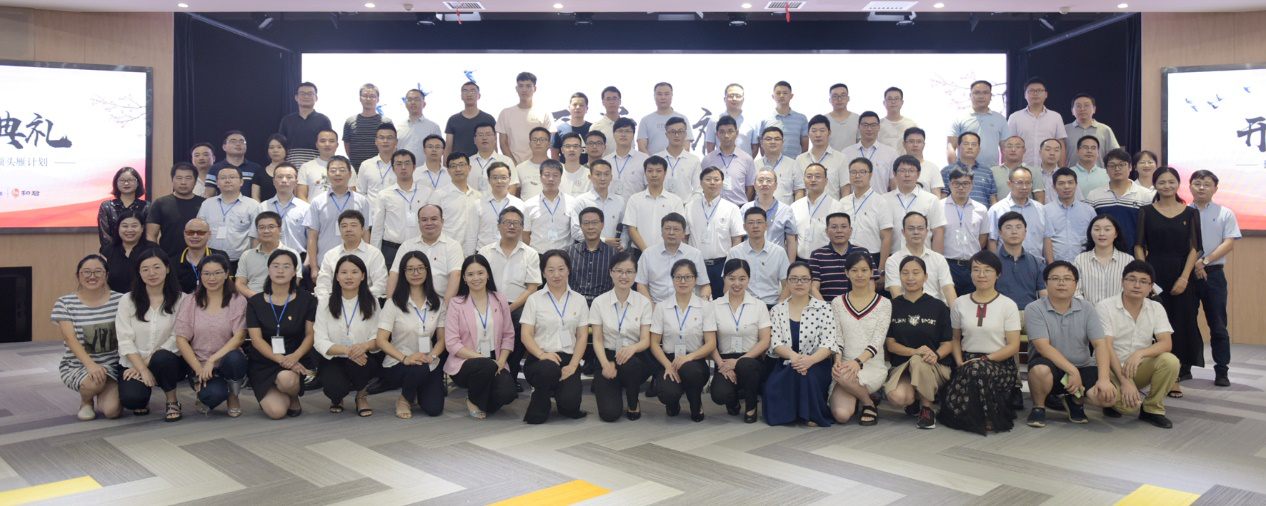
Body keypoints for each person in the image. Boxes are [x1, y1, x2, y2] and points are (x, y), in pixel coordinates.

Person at [1024, 261, 1119, 428]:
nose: (1061, 283)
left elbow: (1100, 345)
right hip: (1050, 369)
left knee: (1108, 398)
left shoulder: (1087, 308)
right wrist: (1071, 370)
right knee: (1040, 370)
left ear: (1076, 284)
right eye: (1055, 278)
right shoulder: (1034, 308)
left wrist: (1104, 379)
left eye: (1067, 279)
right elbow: (1042, 347)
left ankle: (1075, 400)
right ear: (1046, 283)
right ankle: (1039, 407)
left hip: (1082, 367)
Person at [1135, 166, 1202, 398]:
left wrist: (1184, 277)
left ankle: (1175, 377)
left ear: (1178, 184)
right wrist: (1146, 279)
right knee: (1154, 325)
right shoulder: (1146, 211)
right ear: (1155, 185)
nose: (1167, 186)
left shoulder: (1190, 213)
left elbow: (1195, 248)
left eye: (1171, 181)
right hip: (1154, 272)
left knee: (1180, 323)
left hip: (1182, 273)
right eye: (1161, 182)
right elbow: (1139, 245)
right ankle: (1153, 373)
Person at [938, 251, 1022, 435]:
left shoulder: (1008, 305)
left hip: (999, 362)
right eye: (976, 270)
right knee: (971, 371)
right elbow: (955, 338)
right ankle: (983, 414)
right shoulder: (960, 303)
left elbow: (1013, 346)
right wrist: (959, 361)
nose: (981, 275)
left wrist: (985, 359)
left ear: (998, 274)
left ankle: (985, 416)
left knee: (978, 370)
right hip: (967, 360)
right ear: (970, 274)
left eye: (987, 270)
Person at [1098, 260, 1180, 428]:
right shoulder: (1105, 307)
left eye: (1143, 281)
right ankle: (1111, 400)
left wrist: (1139, 353)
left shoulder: (1156, 308)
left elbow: (1166, 343)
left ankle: (1152, 408)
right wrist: (1125, 381)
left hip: (1137, 366)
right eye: (1132, 279)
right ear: (1122, 282)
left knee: (1170, 361)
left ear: (1151, 287)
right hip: (1110, 369)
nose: (1137, 285)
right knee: (1128, 407)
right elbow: (1106, 347)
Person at [245, 249, 318, 419]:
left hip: (294, 357)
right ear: (268, 269)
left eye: (286, 266)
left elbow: (310, 335)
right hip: (265, 360)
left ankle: (293, 397)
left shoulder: (307, 299)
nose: (280, 271)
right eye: (275, 266)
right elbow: (256, 340)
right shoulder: (255, 302)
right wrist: (282, 360)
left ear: (294, 271)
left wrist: (294, 357)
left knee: (287, 380)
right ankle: (271, 391)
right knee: (276, 413)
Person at [519, 250, 590, 424]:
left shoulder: (579, 300)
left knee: (570, 406)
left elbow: (582, 337)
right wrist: (542, 355)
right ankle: (540, 403)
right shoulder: (534, 299)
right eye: (550, 270)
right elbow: (526, 335)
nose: (556, 274)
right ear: (543, 273)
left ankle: (555, 390)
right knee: (549, 369)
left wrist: (573, 365)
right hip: (540, 358)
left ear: (568, 270)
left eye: (561, 269)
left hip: (568, 359)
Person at [174, 254, 249, 417]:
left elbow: (239, 337)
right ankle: (207, 392)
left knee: (235, 358)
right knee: (211, 396)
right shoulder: (190, 301)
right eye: (206, 274)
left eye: (217, 273)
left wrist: (212, 360)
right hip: (200, 364)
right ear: (200, 276)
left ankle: (233, 395)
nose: (212, 278)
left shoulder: (237, 300)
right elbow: (181, 339)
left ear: (226, 273)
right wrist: (198, 369)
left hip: (227, 360)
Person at [116, 249, 187, 420]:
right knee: (132, 400)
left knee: (162, 357)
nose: (151, 273)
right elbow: (125, 339)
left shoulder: (182, 299)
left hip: (167, 362)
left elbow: (177, 338)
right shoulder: (127, 300)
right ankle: (143, 396)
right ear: (139, 273)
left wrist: (144, 366)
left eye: (156, 267)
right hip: (133, 361)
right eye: (145, 269)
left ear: (167, 269)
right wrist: (141, 368)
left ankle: (172, 401)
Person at [445, 254, 518, 419]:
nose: (476, 278)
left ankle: (480, 398)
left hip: (495, 360)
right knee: (484, 366)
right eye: (470, 274)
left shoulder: (500, 300)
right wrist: (483, 359)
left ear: (488, 275)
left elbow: (508, 335)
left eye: (480, 273)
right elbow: (452, 343)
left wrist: (501, 361)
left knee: (508, 394)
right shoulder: (456, 303)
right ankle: (473, 400)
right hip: (466, 362)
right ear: (464, 278)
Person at [764, 262, 837, 427]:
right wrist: (795, 357)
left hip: (817, 362)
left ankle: (810, 414)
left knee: (808, 376)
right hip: (787, 361)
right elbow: (775, 342)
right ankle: (793, 413)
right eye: (794, 279)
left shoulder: (824, 308)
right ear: (787, 282)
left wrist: (810, 360)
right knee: (775, 384)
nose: (799, 283)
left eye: (804, 279)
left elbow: (829, 343)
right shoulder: (777, 310)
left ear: (811, 282)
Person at [885, 256, 954, 429]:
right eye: (905, 273)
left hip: (935, 366)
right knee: (898, 397)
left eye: (916, 273)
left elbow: (948, 343)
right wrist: (915, 351)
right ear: (899, 276)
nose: (910, 278)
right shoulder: (891, 306)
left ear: (925, 277)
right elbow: (891, 345)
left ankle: (927, 409)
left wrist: (935, 355)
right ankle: (914, 397)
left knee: (919, 361)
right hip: (903, 367)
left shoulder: (938, 306)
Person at [376, 251, 447, 419]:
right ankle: (404, 398)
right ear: (404, 273)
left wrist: (432, 356)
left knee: (434, 409)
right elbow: (381, 340)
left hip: (427, 362)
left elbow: (442, 339)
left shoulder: (438, 303)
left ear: (427, 270)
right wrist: (405, 358)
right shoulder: (393, 304)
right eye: (410, 269)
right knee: (417, 368)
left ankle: (415, 390)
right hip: (399, 363)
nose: (416, 273)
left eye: (420, 268)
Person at [54, 254, 125, 421]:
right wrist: (91, 365)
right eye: (86, 272)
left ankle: (103, 389)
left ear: (106, 275)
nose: (92, 276)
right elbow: (70, 339)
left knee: (112, 412)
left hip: (111, 365)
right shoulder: (65, 303)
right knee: (94, 382)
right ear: (78, 275)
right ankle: (86, 401)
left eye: (98, 271)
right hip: (80, 365)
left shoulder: (121, 300)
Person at [478, 207, 542, 389]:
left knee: (522, 326)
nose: (512, 226)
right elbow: (479, 283)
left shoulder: (530, 253)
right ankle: (487, 374)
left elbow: (532, 288)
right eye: (507, 222)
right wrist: (494, 306)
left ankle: (510, 377)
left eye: (516, 223)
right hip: (488, 303)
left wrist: (508, 309)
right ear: (499, 226)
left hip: (518, 305)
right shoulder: (485, 252)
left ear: (522, 227)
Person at [1189, 169, 1240, 387]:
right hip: (1187, 275)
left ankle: (1221, 370)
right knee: (1186, 322)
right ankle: (1184, 367)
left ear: (1215, 189)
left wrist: (1204, 262)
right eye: (1197, 183)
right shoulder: (1182, 212)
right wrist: (1195, 265)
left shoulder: (1225, 213)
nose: (1201, 187)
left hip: (1214, 275)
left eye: (1207, 184)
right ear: (1190, 186)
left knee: (1218, 325)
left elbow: (1229, 243)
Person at [649, 259, 716, 422]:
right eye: (678, 277)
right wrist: (668, 365)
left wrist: (688, 358)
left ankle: (696, 403)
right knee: (667, 393)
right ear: (672, 279)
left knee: (690, 371)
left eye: (688, 277)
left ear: (695, 279)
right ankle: (673, 403)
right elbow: (654, 343)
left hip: (695, 360)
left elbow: (711, 343)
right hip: (669, 360)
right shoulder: (662, 307)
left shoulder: (705, 307)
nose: (683, 281)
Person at [313, 255, 380, 416]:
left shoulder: (372, 302)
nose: (349, 277)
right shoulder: (325, 303)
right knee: (334, 387)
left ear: (363, 276)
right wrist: (347, 350)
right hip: (334, 357)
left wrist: (363, 347)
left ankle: (361, 396)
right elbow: (319, 340)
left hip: (363, 356)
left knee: (359, 364)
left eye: (354, 272)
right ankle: (337, 398)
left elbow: (378, 337)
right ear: (337, 276)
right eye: (343, 272)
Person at [829, 253, 891, 426]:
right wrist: (838, 361)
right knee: (841, 415)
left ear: (871, 272)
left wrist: (858, 362)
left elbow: (878, 340)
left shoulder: (884, 303)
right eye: (854, 270)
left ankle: (868, 403)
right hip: (845, 367)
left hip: (871, 365)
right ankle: (859, 395)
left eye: (864, 270)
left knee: (845, 377)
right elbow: (838, 337)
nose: (860, 275)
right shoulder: (837, 302)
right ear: (846, 273)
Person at [590, 252, 653, 422]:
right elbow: (597, 339)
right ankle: (613, 385)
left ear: (635, 275)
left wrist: (632, 348)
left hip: (634, 356)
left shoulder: (643, 303)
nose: (624, 276)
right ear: (611, 272)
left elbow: (645, 340)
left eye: (629, 272)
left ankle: (633, 400)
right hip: (608, 356)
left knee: (631, 365)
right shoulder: (599, 302)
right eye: (619, 271)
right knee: (609, 414)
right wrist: (605, 364)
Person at [710, 259, 772, 423]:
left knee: (745, 365)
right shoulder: (714, 306)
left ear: (748, 279)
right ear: (724, 279)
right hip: (724, 360)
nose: (737, 283)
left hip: (752, 360)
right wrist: (721, 365)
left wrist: (738, 361)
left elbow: (765, 341)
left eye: (742, 278)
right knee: (719, 395)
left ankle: (751, 406)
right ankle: (733, 401)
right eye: (731, 278)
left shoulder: (759, 305)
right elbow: (710, 342)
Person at [304, 156, 372, 276]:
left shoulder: (362, 201)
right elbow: (312, 237)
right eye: (333, 170)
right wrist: (314, 267)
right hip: (325, 265)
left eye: (342, 170)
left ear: (350, 174)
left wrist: (365, 261)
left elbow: (365, 233)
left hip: (355, 265)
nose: (337, 174)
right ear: (327, 174)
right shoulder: (317, 202)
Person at [687, 167, 745, 296]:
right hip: (695, 264)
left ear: (722, 183)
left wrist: (731, 267)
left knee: (721, 302)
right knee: (697, 301)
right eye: (708, 179)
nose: (712, 183)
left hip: (722, 265)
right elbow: (685, 237)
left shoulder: (731, 208)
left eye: (716, 179)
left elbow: (737, 240)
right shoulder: (690, 207)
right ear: (700, 183)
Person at [832, 158, 893, 277]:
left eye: (862, 172)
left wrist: (881, 269)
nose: (857, 176)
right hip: (845, 256)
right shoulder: (843, 202)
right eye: (853, 172)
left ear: (870, 175)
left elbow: (887, 237)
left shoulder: (881, 202)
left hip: (871, 256)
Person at [391, 205, 465, 302]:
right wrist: (391, 304)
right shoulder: (407, 246)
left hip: (442, 302)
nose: (429, 223)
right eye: (424, 220)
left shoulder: (453, 246)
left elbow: (456, 276)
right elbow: (394, 275)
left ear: (442, 221)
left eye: (434, 219)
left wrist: (447, 306)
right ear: (419, 222)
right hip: (409, 303)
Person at [371, 149, 429, 268]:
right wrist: (374, 257)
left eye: (407, 163)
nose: (403, 167)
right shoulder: (384, 195)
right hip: (391, 250)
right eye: (399, 164)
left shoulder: (426, 192)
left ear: (414, 167)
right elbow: (377, 228)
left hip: (420, 248)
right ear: (393, 168)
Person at [636, 213, 710, 302]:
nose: (671, 233)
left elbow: (705, 285)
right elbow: (641, 284)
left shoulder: (695, 254)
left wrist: (704, 300)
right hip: (657, 304)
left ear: (684, 233)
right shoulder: (648, 254)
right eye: (667, 229)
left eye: (676, 229)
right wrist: (651, 305)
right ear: (661, 232)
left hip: (687, 306)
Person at [1087, 149, 1150, 252]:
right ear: (1106, 169)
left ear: (1130, 167)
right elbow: (1089, 228)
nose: (1117, 169)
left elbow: (1148, 229)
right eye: (1112, 166)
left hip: (1134, 254)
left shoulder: (1146, 195)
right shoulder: (1094, 196)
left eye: (1121, 165)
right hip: (1102, 253)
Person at [885, 212, 956, 303]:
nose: (916, 232)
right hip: (907, 308)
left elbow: (948, 289)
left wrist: (955, 311)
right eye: (911, 228)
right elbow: (896, 293)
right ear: (903, 232)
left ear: (927, 232)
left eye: (920, 228)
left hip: (936, 308)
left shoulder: (939, 259)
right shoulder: (893, 261)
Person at [197, 165, 261, 267]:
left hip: (241, 262)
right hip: (210, 260)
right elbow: (199, 231)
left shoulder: (252, 205)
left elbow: (256, 236)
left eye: (232, 177)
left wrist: (253, 260)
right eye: (223, 178)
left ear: (241, 182)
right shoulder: (207, 204)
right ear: (217, 183)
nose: (227, 181)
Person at [314, 210, 387, 299]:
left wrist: (355, 299)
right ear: (339, 230)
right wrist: (327, 300)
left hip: (365, 301)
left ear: (362, 230)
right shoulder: (330, 255)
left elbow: (381, 285)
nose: (348, 229)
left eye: (353, 225)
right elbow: (322, 285)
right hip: (335, 302)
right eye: (344, 226)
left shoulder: (374, 253)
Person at [726, 207, 791, 306]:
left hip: (772, 304)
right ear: (744, 227)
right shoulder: (735, 252)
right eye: (751, 223)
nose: (755, 226)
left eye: (759, 222)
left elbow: (787, 284)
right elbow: (727, 285)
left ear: (766, 225)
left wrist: (779, 305)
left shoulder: (778, 252)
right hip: (744, 305)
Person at [942, 168, 990, 296]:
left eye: (965, 183)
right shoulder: (939, 207)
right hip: (947, 264)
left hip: (972, 265)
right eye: (956, 183)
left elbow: (983, 239)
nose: (961, 187)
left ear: (972, 184)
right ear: (950, 184)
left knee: (972, 302)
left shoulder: (981, 209)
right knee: (948, 302)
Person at [624, 157, 686, 253]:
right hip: (639, 252)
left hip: (667, 252)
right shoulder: (634, 199)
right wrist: (647, 252)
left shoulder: (675, 201)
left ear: (665, 173)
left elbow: (678, 229)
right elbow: (631, 229)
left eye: (658, 171)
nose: (654, 175)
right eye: (650, 171)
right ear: (645, 173)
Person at [886, 155, 947, 252]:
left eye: (911, 171)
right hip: (893, 256)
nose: (907, 175)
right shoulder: (884, 200)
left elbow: (938, 232)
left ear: (918, 174)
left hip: (923, 257)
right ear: (894, 174)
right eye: (902, 171)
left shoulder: (931, 200)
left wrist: (937, 259)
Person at [234, 211, 302, 298]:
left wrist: (273, 300)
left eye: (271, 227)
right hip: (252, 299)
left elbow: (294, 282)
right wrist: (257, 298)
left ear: (280, 229)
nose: (266, 231)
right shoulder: (247, 255)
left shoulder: (291, 254)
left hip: (282, 300)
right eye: (261, 227)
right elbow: (240, 283)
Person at [147, 163, 207, 260]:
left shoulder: (205, 204)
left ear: (196, 181)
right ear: (172, 180)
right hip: (168, 258)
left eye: (188, 178)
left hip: (201, 260)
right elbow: (150, 235)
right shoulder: (160, 203)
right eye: (179, 178)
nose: (183, 182)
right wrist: (157, 257)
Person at [995, 212, 1048, 316]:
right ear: (1000, 233)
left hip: (1030, 314)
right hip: (999, 314)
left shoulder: (1037, 263)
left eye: (1018, 227)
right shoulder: (991, 262)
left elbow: (1044, 295)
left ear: (1025, 232)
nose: (1014, 232)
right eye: (1008, 228)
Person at [987, 167, 1047, 260]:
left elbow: (1046, 239)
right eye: (1019, 183)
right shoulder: (997, 209)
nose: (1024, 187)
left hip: (1036, 263)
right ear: (1009, 184)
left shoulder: (1040, 209)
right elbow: (992, 240)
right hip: (1006, 262)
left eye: (1028, 183)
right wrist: (995, 264)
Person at [740, 168, 799, 261]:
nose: (764, 184)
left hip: (776, 260)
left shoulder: (785, 210)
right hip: (749, 259)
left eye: (769, 180)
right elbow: (740, 238)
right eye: (760, 180)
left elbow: (791, 241)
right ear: (754, 185)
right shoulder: (745, 208)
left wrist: (790, 266)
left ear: (776, 185)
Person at [1074, 215, 1134, 304]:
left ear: (1116, 234)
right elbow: (1076, 292)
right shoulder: (1080, 259)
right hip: (1088, 311)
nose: (1101, 233)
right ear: (1090, 233)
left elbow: (1131, 291)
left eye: (1107, 229)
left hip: (1118, 311)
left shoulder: (1128, 260)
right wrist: (1088, 310)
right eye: (1096, 229)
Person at [809, 212, 870, 301]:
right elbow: (813, 288)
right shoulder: (817, 255)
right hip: (826, 307)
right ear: (827, 231)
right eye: (834, 227)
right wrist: (825, 307)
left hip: (857, 306)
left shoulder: (863, 253)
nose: (839, 231)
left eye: (844, 227)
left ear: (850, 231)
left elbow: (870, 284)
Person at [948, 80, 1009, 168]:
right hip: (964, 171)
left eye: (985, 93)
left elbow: (1005, 149)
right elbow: (951, 146)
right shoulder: (959, 118)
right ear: (970, 95)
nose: (981, 96)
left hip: (992, 170)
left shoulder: (1000, 119)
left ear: (990, 96)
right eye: (977, 93)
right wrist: (953, 169)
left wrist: (1004, 171)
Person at [1007, 77, 1067, 168]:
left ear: (1046, 94)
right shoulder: (1015, 117)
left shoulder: (1056, 117)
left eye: (1039, 90)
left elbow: (1061, 145)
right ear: (1025, 95)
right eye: (1031, 91)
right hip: (1022, 170)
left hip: (1049, 171)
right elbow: (1009, 145)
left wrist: (1062, 170)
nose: (1035, 93)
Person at [523, 159, 581, 253]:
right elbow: (525, 234)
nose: (551, 179)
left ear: (561, 178)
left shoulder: (572, 202)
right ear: (540, 177)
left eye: (555, 175)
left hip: (564, 254)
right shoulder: (529, 205)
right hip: (538, 254)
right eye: (547, 175)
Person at [430, 152, 481, 256]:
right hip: (446, 251)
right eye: (453, 166)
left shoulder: (478, 196)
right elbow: (432, 225)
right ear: (448, 170)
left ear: (469, 168)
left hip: (471, 252)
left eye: (462, 165)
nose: (458, 169)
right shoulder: (439, 195)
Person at [497, 72, 553, 165]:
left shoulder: (544, 113)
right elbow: (503, 143)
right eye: (521, 86)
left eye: (528, 86)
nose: (524, 90)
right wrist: (513, 164)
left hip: (539, 165)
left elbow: (548, 142)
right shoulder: (505, 113)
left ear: (534, 88)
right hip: (513, 165)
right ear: (516, 89)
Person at [1043, 168, 1097, 264]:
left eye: (1070, 183)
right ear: (1054, 187)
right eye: (1061, 183)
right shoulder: (1045, 211)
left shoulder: (1089, 211)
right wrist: (1051, 267)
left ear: (1076, 185)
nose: (1066, 187)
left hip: (1084, 264)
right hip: (1056, 265)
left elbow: (1094, 238)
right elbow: (1045, 240)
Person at [260, 163, 310, 262]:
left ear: (296, 182)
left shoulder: (305, 208)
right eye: (280, 177)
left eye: (289, 177)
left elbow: (311, 239)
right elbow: (256, 238)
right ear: (273, 181)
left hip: (298, 260)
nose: (284, 180)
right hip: (267, 260)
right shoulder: (263, 207)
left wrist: (307, 264)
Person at [572, 159, 625, 254]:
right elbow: (575, 231)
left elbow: (625, 228)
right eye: (598, 174)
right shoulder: (581, 201)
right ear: (590, 177)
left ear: (611, 177)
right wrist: (604, 241)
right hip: (587, 252)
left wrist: (623, 244)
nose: (603, 178)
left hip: (614, 252)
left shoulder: (619, 201)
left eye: (606, 174)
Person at [566, 207, 616, 305]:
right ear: (580, 226)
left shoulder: (613, 254)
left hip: (604, 305)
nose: (590, 227)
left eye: (595, 223)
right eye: (586, 223)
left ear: (602, 225)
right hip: (574, 304)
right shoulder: (569, 252)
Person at [278, 81, 333, 167]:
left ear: (316, 98)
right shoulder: (287, 120)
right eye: (302, 94)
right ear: (296, 97)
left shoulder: (323, 120)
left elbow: (328, 145)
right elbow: (281, 145)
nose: (306, 96)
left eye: (310, 94)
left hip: (316, 168)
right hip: (291, 168)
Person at [841, 112, 897, 194]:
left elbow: (894, 185)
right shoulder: (846, 153)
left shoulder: (890, 153)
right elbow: (845, 184)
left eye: (873, 125)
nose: (869, 129)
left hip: (881, 201)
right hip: (854, 201)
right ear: (859, 127)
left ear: (879, 127)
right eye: (865, 125)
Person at [101, 211, 157, 293]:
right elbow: (102, 279)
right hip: (115, 298)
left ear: (142, 228)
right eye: (125, 226)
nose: (129, 230)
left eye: (134, 226)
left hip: (146, 297)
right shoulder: (108, 251)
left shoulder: (153, 249)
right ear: (118, 228)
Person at [791, 163, 837, 261]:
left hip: (826, 261)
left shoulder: (836, 206)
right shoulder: (795, 206)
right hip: (800, 261)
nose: (813, 180)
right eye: (809, 176)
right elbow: (792, 238)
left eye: (818, 176)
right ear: (804, 180)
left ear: (826, 181)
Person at [342, 83, 392, 170]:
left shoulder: (386, 122)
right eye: (365, 96)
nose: (368, 99)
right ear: (360, 99)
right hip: (356, 168)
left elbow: (390, 146)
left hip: (380, 168)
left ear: (378, 99)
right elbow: (347, 146)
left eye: (372, 96)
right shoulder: (350, 122)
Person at [478, 162, 525, 251]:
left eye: (503, 177)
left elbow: (522, 234)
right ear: (489, 180)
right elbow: (472, 234)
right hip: (484, 253)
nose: (499, 181)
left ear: (509, 179)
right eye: (495, 178)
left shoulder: (519, 204)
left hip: (512, 252)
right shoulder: (479, 204)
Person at [940, 132, 997, 206]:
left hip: (982, 213)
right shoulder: (947, 171)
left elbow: (993, 199)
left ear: (979, 149)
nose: (970, 147)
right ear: (959, 148)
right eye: (966, 144)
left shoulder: (987, 172)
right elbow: (942, 198)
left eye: (974, 144)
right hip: (954, 212)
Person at [653, 117, 702, 202]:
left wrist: (689, 206)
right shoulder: (655, 159)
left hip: (685, 206)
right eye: (672, 132)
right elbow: (649, 186)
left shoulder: (694, 160)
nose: (676, 135)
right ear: (666, 134)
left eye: (680, 131)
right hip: (660, 205)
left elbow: (698, 189)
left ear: (685, 134)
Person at [798, 115, 847, 199]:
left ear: (829, 133)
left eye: (822, 131)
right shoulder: (800, 159)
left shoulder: (841, 158)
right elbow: (799, 190)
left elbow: (845, 189)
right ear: (808, 134)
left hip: (832, 206)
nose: (818, 135)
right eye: (814, 131)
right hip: (808, 206)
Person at [174, 218, 229, 294]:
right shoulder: (173, 262)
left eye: (200, 233)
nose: (195, 236)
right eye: (190, 233)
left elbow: (228, 285)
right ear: (184, 234)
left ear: (209, 235)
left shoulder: (221, 256)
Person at [99, 166, 149, 249]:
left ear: (138, 183)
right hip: (112, 253)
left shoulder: (146, 206)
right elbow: (105, 237)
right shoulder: (107, 206)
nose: (126, 183)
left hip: (141, 253)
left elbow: (148, 235)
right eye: (122, 180)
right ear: (116, 183)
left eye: (130, 180)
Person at [757, 81, 809, 158]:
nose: (781, 95)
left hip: (794, 162)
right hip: (772, 163)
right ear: (773, 96)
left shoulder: (801, 118)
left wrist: (800, 161)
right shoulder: (765, 119)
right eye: (778, 93)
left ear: (791, 96)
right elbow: (762, 145)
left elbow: (805, 145)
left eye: (785, 93)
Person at [1065, 94, 1120, 167]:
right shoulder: (1065, 130)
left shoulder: (1105, 130)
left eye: (1086, 105)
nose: (1082, 109)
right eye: (1078, 106)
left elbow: (1114, 155)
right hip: (1071, 173)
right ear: (1072, 111)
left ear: (1094, 109)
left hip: (1100, 173)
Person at [443, 82, 495, 159]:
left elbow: (494, 145)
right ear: (461, 96)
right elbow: (448, 148)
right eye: (465, 91)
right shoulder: (453, 120)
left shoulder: (488, 119)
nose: (469, 94)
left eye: (472, 91)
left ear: (479, 96)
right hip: (458, 163)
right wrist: (446, 166)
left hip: (483, 161)